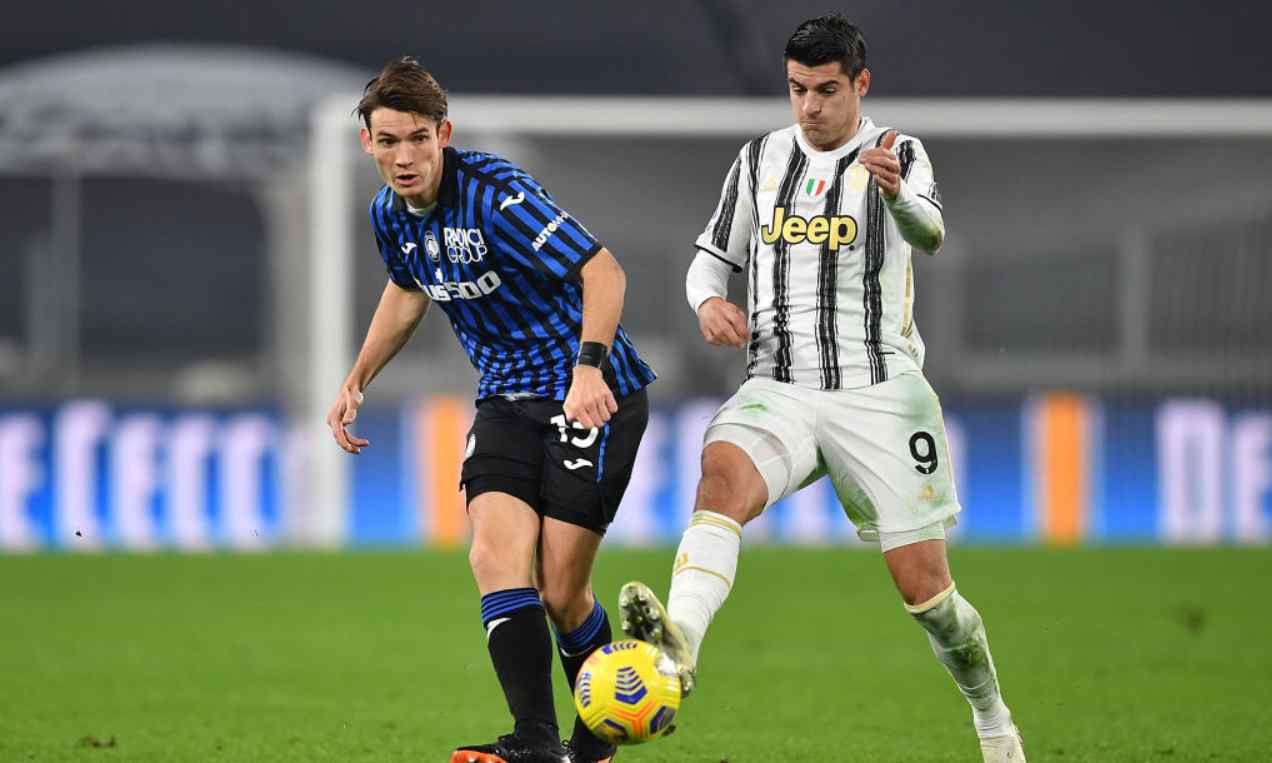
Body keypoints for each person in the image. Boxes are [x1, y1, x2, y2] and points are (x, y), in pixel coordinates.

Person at [617, 15, 1024, 762]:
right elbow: (711, 259)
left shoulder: (900, 153)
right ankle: (678, 655)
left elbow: (930, 233)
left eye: (826, 90)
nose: (809, 106)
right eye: (798, 89)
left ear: (860, 84)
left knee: (930, 599)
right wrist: (707, 302)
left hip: (881, 392)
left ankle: (993, 718)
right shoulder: (759, 160)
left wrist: (897, 194)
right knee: (720, 478)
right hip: (780, 385)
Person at [327, 57, 656, 763]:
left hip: (595, 395)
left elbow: (603, 271)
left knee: (564, 591)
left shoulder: (500, 196)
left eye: (418, 138)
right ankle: (534, 742)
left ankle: (595, 745)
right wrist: (357, 377)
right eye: (388, 141)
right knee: (492, 554)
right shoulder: (389, 212)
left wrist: (587, 368)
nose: (405, 156)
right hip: (506, 398)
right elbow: (407, 288)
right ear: (368, 144)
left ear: (443, 133)